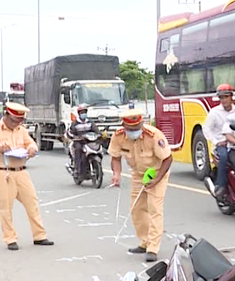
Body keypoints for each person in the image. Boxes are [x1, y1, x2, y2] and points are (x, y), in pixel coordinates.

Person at [0, 102, 54, 251]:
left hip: (21, 171)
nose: (16, 124)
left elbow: (31, 143)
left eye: (19, 121)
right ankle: (10, 239)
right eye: (14, 120)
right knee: (6, 207)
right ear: (6, 116)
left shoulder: (21, 130)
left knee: (32, 203)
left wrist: (32, 149)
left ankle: (39, 235)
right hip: (4, 172)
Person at [109, 110, 172, 262]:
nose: (134, 132)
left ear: (142, 124)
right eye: (130, 129)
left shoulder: (154, 135)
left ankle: (153, 248)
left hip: (156, 173)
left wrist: (156, 180)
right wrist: (116, 174)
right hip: (138, 174)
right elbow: (115, 157)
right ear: (123, 126)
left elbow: (168, 159)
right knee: (137, 208)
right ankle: (145, 241)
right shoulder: (118, 136)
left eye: (137, 128)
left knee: (154, 208)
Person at [202, 84, 235, 197]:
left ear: (232, 97)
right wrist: (216, 142)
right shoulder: (214, 112)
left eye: (226, 96)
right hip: (221, 145)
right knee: (224, 157)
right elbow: (206, 129)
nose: (224, 100)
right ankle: (220, 186)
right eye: (221, 97)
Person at [70, 103, 99, 177]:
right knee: (78, 149)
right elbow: (70, 133)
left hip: (89, 141)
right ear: (79, 113)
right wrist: (76, 137)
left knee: (98, 147)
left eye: (85, 112)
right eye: (82, 112)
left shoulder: (90, 122)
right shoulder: (75, 123)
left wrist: (100, 134)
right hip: (79, 142)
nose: (84, 114)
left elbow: (96, 130)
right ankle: (77, 169)